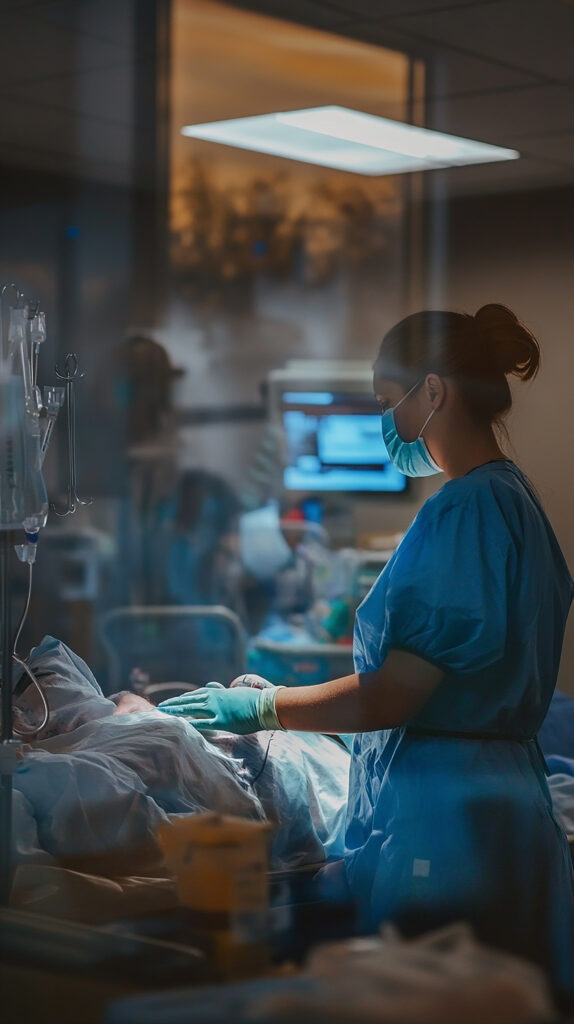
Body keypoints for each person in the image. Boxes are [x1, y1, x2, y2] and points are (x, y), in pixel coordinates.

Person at [159, 304, 574, 1000]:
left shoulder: (463, 512)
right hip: (500, 810)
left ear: (433, 390)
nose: (387, 422)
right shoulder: (513, 500)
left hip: (451, 829)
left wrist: (260, 706)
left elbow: (390, 696)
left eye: (387, 403)